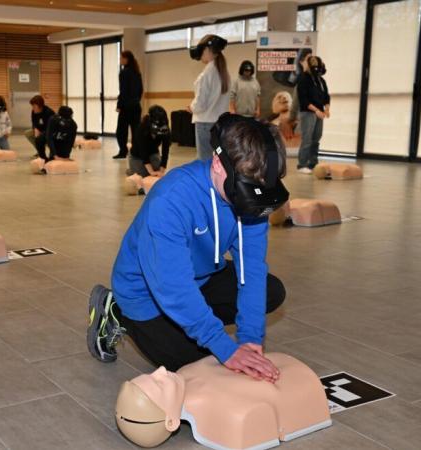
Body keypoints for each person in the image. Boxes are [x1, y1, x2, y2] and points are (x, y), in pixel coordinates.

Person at [87, 114, 288, 382]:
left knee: (270, 290)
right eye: (250, 186)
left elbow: (251, 271)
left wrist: (250, 337)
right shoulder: (171, 200)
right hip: (146, 291)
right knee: (201, 367)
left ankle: (190, 320)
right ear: (218, 163)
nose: (257, 194)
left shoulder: (254, 196)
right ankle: (118, 311)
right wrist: (224, 347)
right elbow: (173, 285)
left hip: (199, 278)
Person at [188, 35, 231, 161]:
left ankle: (207, 181)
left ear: (207, 50)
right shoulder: (224, 72)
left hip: (205, 124)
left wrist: (191, 107)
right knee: (218, 159)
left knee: (205, 161)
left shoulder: (207, 74)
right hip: (220, 123)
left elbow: (200, 104)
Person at [296, 55, 330, 174]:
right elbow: (304, 100)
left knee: (316, 138)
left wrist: (327, 108)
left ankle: (313, 163)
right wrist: (316, 111)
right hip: (308, 112)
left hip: (319, 112)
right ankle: (302, 164)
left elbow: (326, 96)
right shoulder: (303, 79)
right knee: (307, 139)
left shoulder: (321, 80)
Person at [113, 50, 144, 159]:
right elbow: (141, 90)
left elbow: (123, 91)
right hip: (136, 105)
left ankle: (123, 151)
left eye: (121, 58)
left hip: (126, 106)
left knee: (121, 131)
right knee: (135, 130)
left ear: (127, 59)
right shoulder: (137, 72)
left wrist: (119, 105)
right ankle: (135, 151)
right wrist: (136, 100)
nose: (120, 60)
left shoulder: (124, 72)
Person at [127, 105, 170, 178]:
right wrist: (151, 172)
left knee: (156, 172)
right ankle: (131, 170)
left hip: (153, 154)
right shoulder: (141, 129)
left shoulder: (165, 129)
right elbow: (143, 152)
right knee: (142, 175)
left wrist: (161, 171)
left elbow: (165, 150)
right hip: (137, 156)